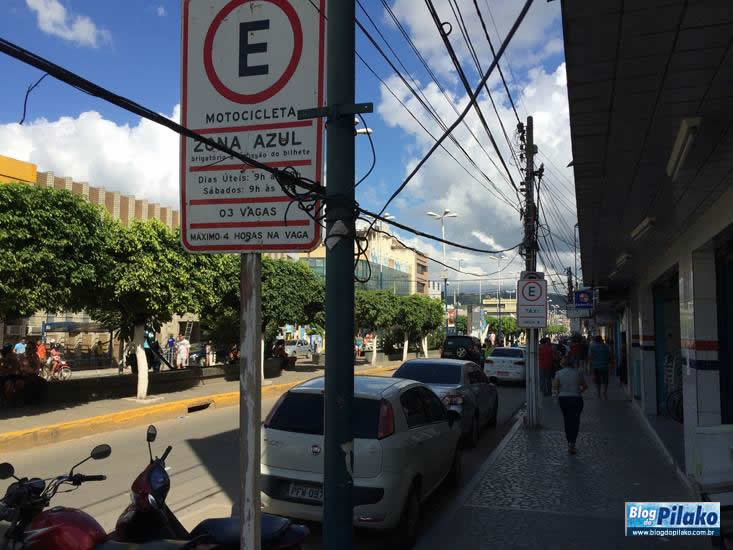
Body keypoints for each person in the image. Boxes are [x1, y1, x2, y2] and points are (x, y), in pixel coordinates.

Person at [553, 355, 588, 454]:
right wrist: (579, 392)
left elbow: (555, 387)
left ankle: (569, 442)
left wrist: (558, 395)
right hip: (576, 399)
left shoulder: (558, 373)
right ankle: (573, 443)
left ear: (563, 363)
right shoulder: (578, 373)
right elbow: (585, 386)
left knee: (567, 421)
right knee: (575, 421)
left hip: (564, 399)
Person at [590, 335, 611, 399]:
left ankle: (598, 393)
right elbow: (609, 356)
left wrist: (590, 367)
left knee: (597, 381)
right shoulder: (606, 346)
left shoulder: (592, 347)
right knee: (605, 380)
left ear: (595, 341)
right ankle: (604, 392)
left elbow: (590, 357)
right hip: (605, 366)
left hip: (596, 366)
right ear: (601, 340)